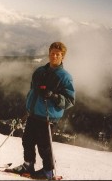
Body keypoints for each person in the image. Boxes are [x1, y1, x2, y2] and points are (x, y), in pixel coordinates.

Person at [11, 42, 75, 180]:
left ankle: (48, 171)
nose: (54, 56)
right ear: (49, 53)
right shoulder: (39, 71)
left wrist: (53, 96)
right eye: (52, 53)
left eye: (58, 54)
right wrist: (30, 104)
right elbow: (32, 90)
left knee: (44, 146)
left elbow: (70, 101)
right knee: (27, 141)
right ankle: (28, 165)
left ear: (62, 57)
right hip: (33, 113)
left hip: (48, 116)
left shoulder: (65, 77)